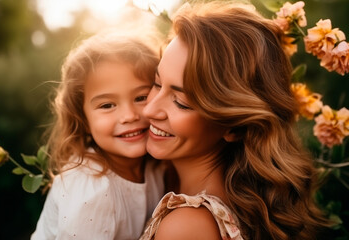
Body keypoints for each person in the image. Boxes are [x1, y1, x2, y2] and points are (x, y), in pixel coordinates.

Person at [139, 2, 328, 240]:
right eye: (157, 83)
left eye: (181, 102)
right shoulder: (235, 207)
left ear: (235, 127)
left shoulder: (187, 227)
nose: (149, 109)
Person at [31, 30, 166, 240]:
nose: (129, 116)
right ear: (83, 120)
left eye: (141, 97)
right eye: (107, 105)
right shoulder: (91, 190)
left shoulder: (155, 167)